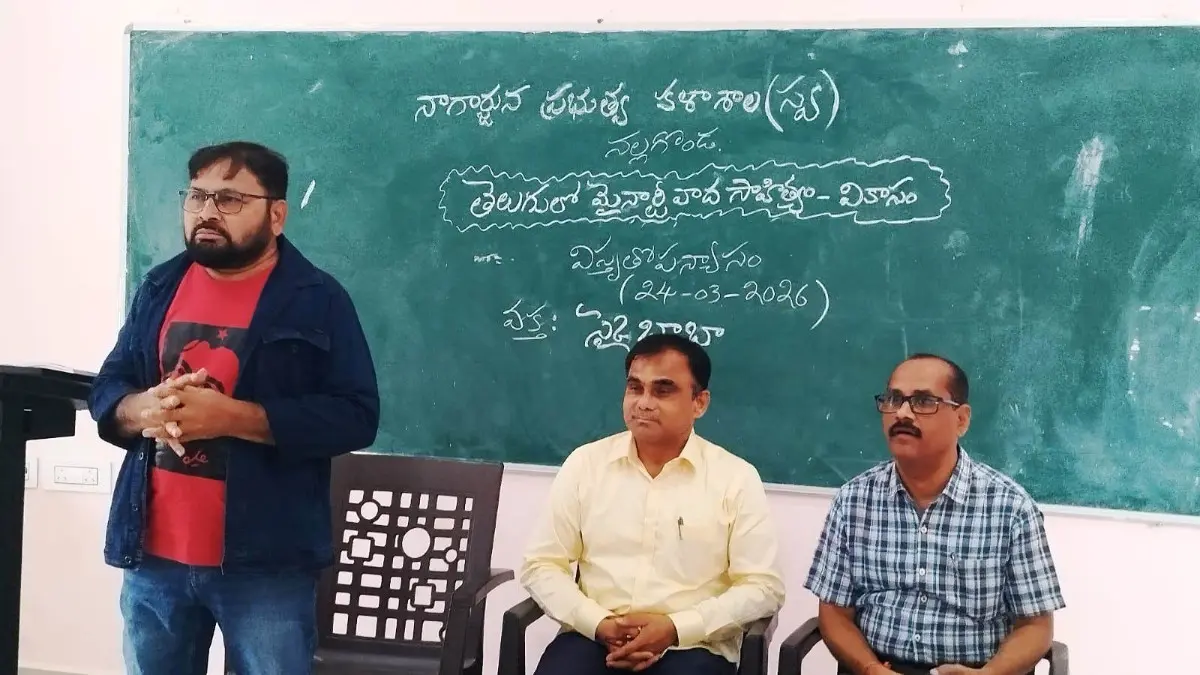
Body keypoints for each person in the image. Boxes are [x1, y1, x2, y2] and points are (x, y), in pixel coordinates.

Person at [88, 141, 380, 675]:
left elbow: (356, 415)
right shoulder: (159, 286)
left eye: (229, 199)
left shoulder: (318, 299)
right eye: (196, 196)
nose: (206, 212)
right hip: (153, 554)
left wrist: (235, 418)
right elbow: (110, 385)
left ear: (277, 214)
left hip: (266, 561)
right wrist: (140, 409)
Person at [519, 333, 785, 675]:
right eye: (635, 388)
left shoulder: (735, 479)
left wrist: (675, 627)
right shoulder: (586, 465)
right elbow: (541, 564)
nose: (643, 403)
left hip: (691, 646)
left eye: (662, 390)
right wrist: (598, 623)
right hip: (595, 638)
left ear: (699, 403)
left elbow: (763, 586)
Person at [804, 354, 1065, 675]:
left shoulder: (1010, 507)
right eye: (893, 399)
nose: (902, 413)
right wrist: (869, 667)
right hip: (878, 667)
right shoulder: (853, 501)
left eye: (924, 401)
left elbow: (1035, 626)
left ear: (961, 420)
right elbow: (834, 612)